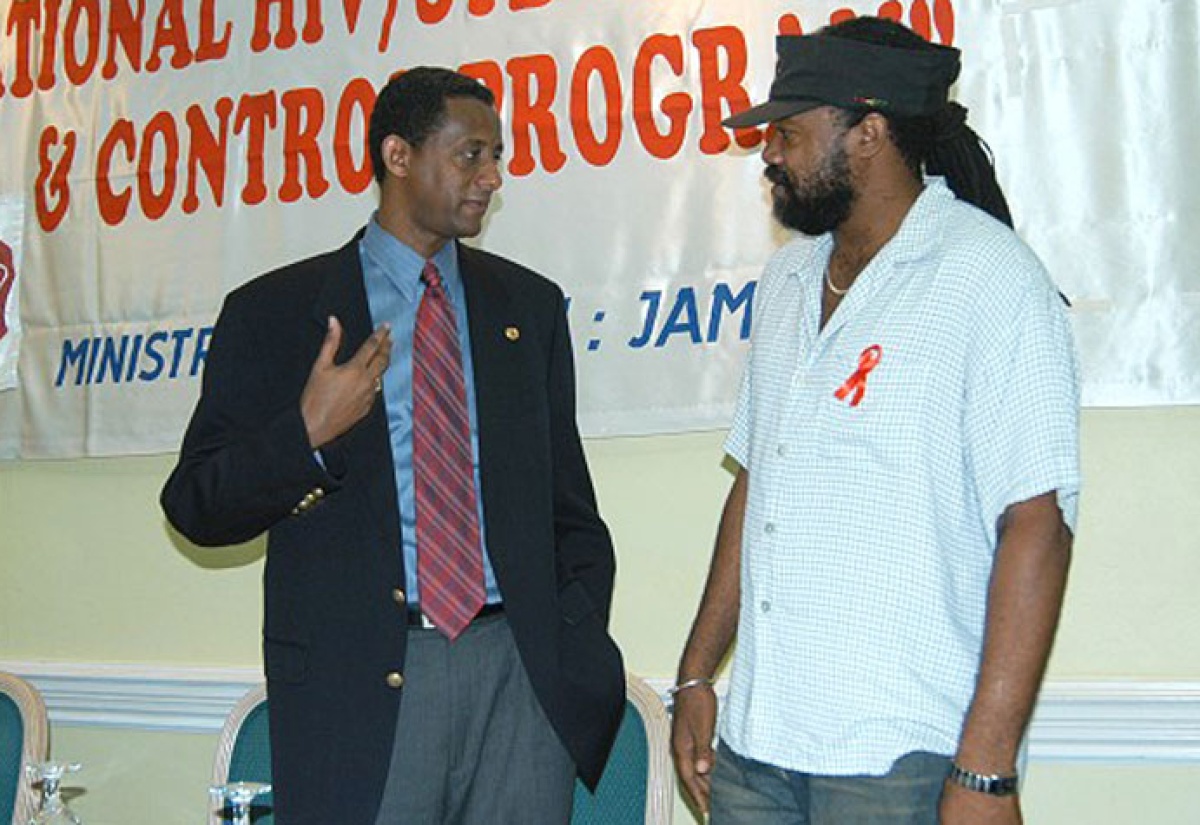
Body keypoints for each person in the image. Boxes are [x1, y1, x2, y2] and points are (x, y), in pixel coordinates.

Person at [161, 67, 624, 825]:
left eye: (497, 155)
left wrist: (570, 639)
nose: (492, 177)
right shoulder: (276, 314)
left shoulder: (528, 308)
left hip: (519, 677)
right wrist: (305, 435)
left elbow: (568, 506)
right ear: (398, 156)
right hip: (362, 683)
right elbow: (196, 505)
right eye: (471, 154)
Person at [670, 16, 1079, 825]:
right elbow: (758, 486)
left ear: (870, 132)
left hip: (903, 755)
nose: (769, 154)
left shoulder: (992, 281)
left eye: (788, 132)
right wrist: (694, 675)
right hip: (760, 745)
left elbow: (1038, 526)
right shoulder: (787, 283)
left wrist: (987, 770)